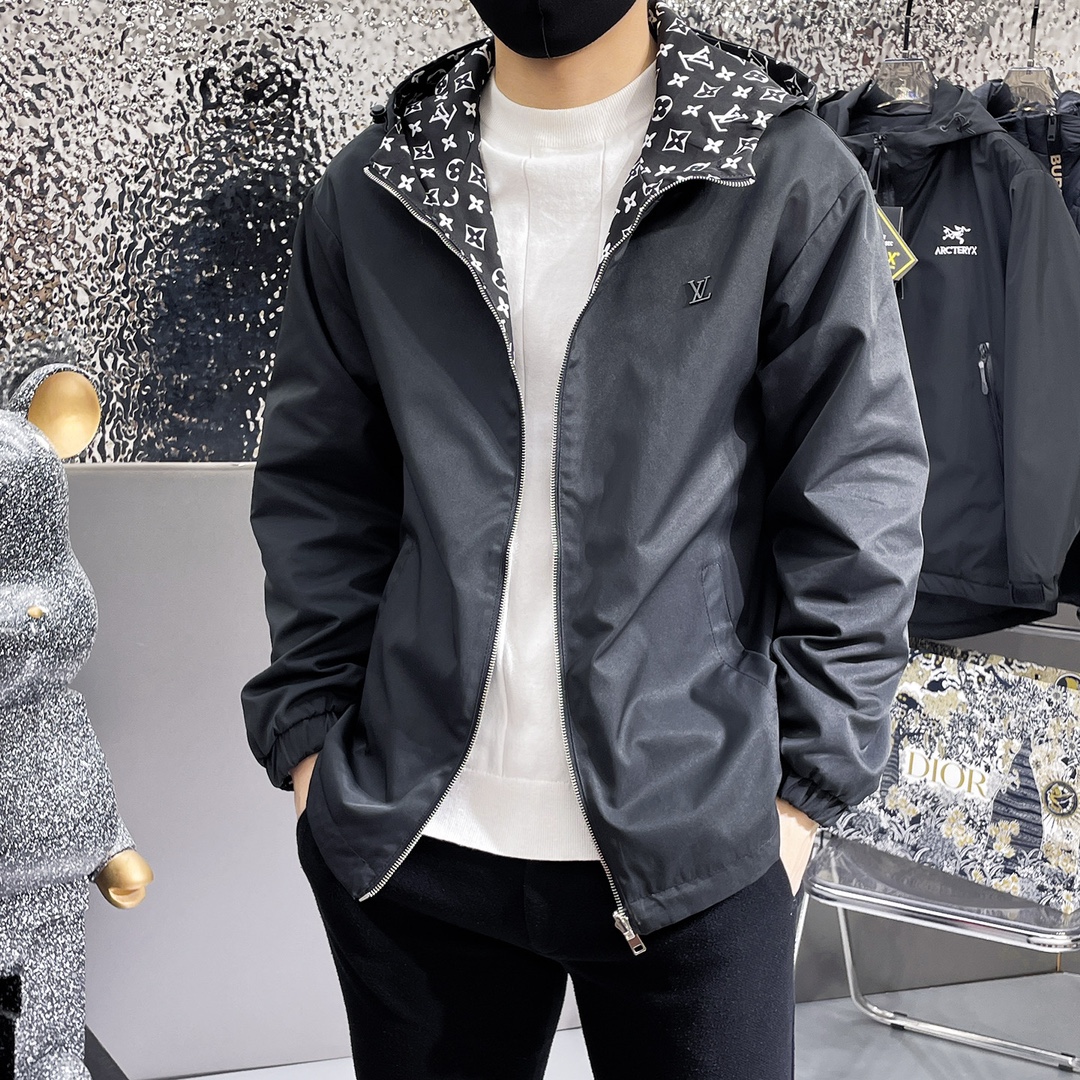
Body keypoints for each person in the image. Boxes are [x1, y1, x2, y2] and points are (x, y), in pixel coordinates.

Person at [241, 1, 929, 1076]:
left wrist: (801, 794)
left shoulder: (776, 172)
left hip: (697, 839)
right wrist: (314, 747)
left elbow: (860, 492)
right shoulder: (379, 186)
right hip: (417, 841)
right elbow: (322, 489)